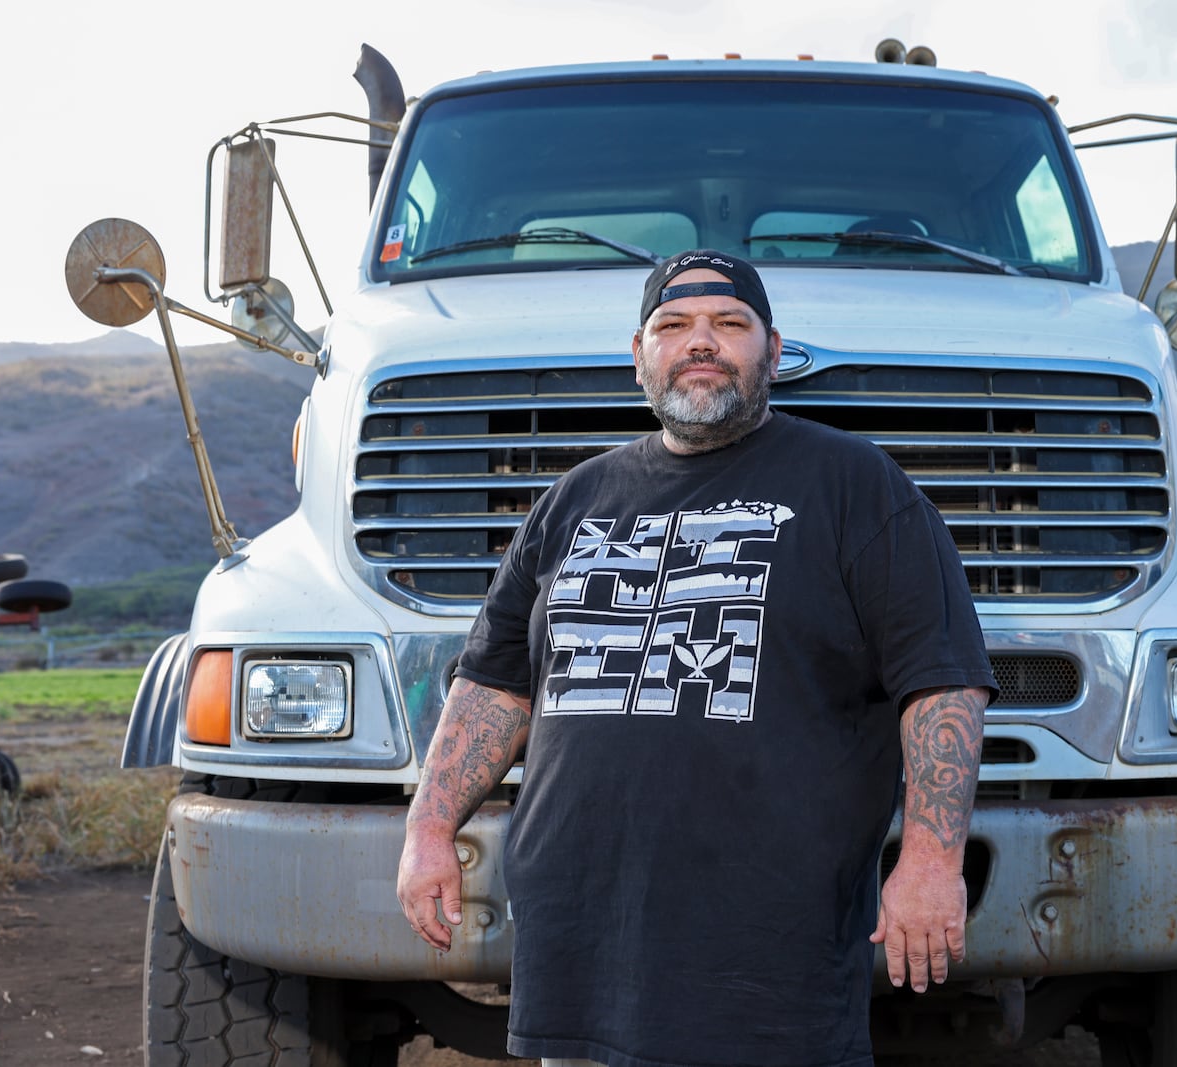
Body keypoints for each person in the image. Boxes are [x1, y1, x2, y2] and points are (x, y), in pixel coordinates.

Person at [398, 248, 997, 1067]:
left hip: (764, 969)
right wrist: (430, 825)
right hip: (579, 954)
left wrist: (931, 859)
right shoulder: (572, 500)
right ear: (639, 356)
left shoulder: (855, 484)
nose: (701, 341)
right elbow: (494, 685)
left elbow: (943, 681)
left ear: (774, 351)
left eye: (729, 324)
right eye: (674, 325)